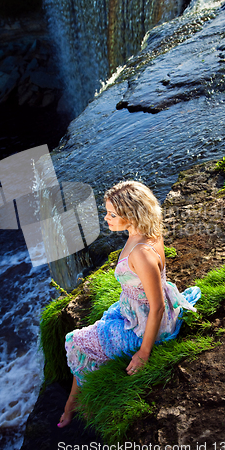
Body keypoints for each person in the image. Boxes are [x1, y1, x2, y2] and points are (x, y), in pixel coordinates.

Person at [57, 181, 200, 428]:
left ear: (132, 215)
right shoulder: (145, 233)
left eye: (112, 214)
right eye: (107, 212)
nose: (106, 219)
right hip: (133, 309)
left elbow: (156, 307)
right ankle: (80, 393)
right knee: (97, 328)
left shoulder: (141, 252)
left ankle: (73, 403)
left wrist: (143, 354)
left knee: (74, 341)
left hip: (146, 324)